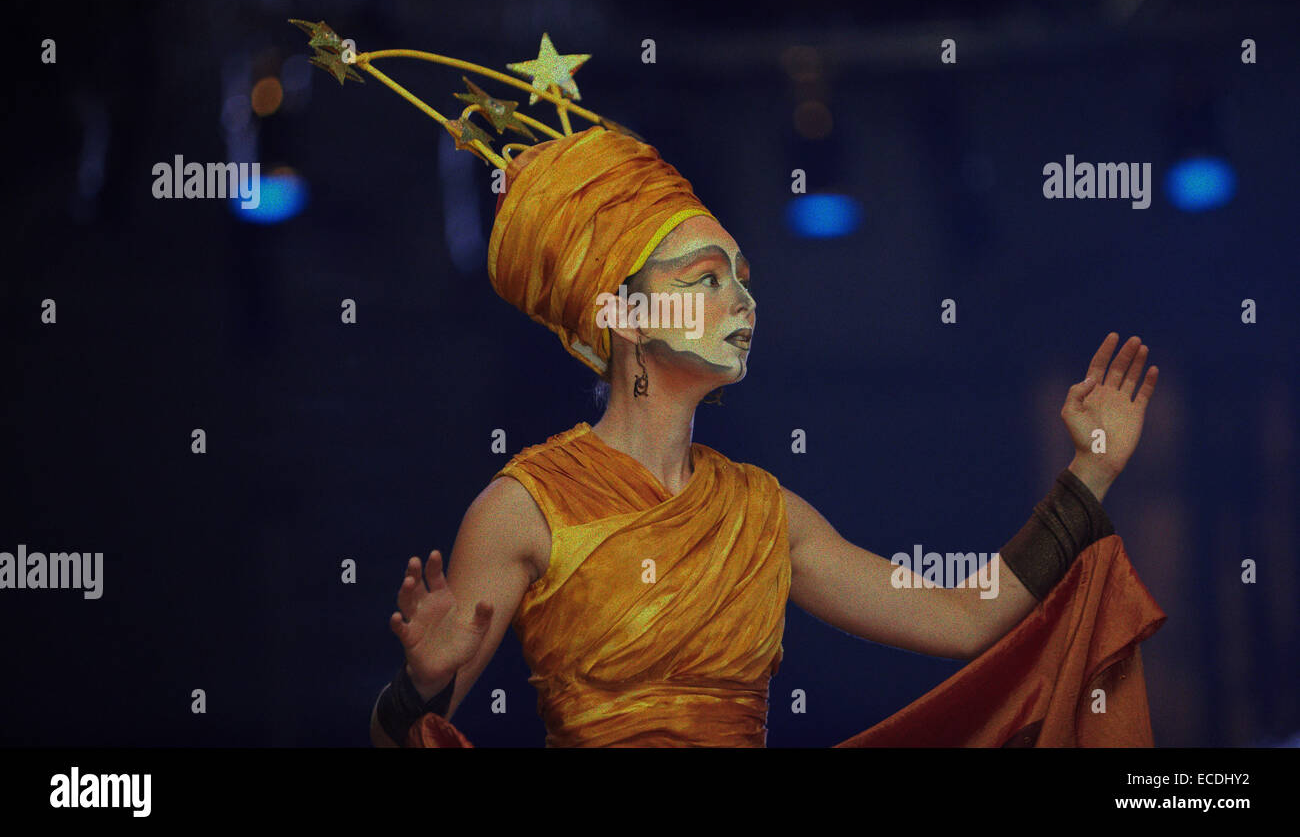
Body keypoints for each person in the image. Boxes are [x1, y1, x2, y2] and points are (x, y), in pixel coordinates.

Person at [368, 128, 1165, 748]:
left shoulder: (765, 513)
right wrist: (417, 688)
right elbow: (401, 737)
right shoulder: (523, 508)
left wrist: (1090, 471)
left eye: (743, 279)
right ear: (622, 316)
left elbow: (962, 616)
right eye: (706, 279)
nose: (743, 301)